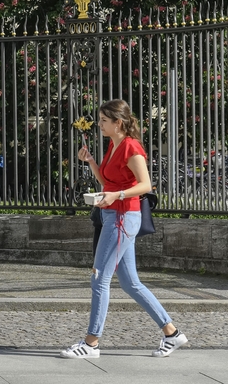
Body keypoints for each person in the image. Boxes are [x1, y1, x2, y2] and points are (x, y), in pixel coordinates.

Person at [60, 99, 189, 359]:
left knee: (99, 279)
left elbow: (145, 185)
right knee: (131, 284)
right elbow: (109, 181)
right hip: (113, 216)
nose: (99, 125)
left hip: (122, 218)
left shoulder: (131, 147)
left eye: (104, 121)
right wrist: (92, 162)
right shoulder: (114, 144)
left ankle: (91, 343)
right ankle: (172, 334)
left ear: (118, 122)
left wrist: (117, 195)